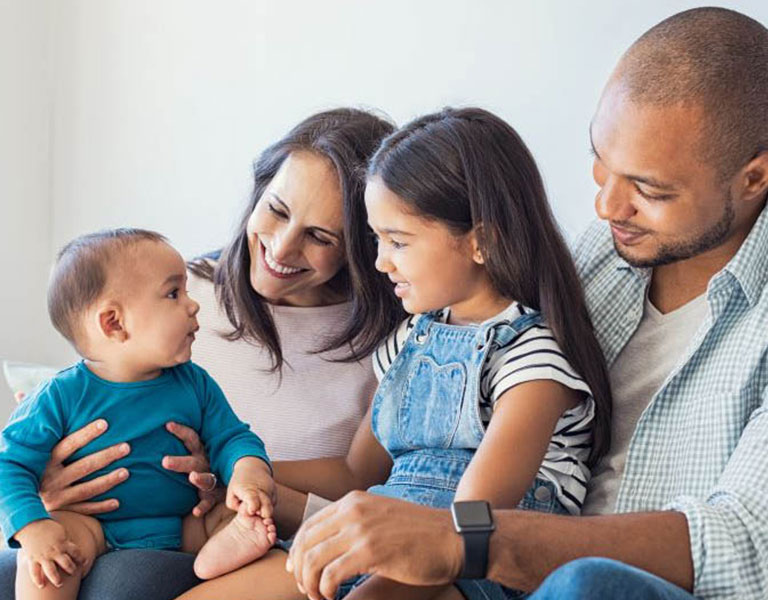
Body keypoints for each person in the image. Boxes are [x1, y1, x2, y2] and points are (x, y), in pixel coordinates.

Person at [286, 8, 768, 600]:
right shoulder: (607, 253)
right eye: (600, 166)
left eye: (649, 189)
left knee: (586, 584)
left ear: (754, 179)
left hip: (582, 580)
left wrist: (467, 539)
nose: (606, 208)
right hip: (506, 570)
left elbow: (747, 545)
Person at [174, 106, 612, 600]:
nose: (380, 263)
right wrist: (244, 470)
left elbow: (470, 526)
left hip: (468, 564)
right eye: (377, 239)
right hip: (380, 532)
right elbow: (356, 474)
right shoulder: (411, 340)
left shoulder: (532, 360)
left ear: (482, 243)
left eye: (397, 242)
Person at [0, 108, 400, 599]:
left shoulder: (394, 344)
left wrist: (238, 478)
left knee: (124, 584)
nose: (280, 247)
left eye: (320, 236)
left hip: (231, 530)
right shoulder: (171, 291)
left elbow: (360, 489)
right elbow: (33, 446)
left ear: (364, 244)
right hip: (94, 522)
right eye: (276, 210)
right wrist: (42, 496)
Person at [0, 229, 280, 600]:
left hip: (185, 524)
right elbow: (9, 465)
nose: (193, 305)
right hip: (92, 526)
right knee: (49, 561)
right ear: (114, 323)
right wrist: (33, 528)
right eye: (174, 293)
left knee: (234, 516)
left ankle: (218, 555)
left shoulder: (194, 383)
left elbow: (231, 437)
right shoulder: (60, 395)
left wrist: (248, 472)